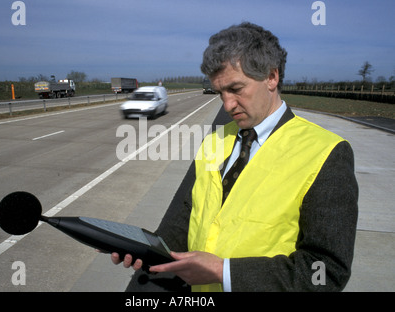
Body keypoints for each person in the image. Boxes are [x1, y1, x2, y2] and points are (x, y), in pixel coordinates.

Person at [111, 22, 358, 292]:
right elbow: (183, 221)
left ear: (272, 77)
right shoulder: (216, 138)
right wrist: (145, 251)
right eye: (220, 93)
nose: (227, 105)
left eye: (236, 89)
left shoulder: (326, 152)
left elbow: (325, 272)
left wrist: (224, 272)